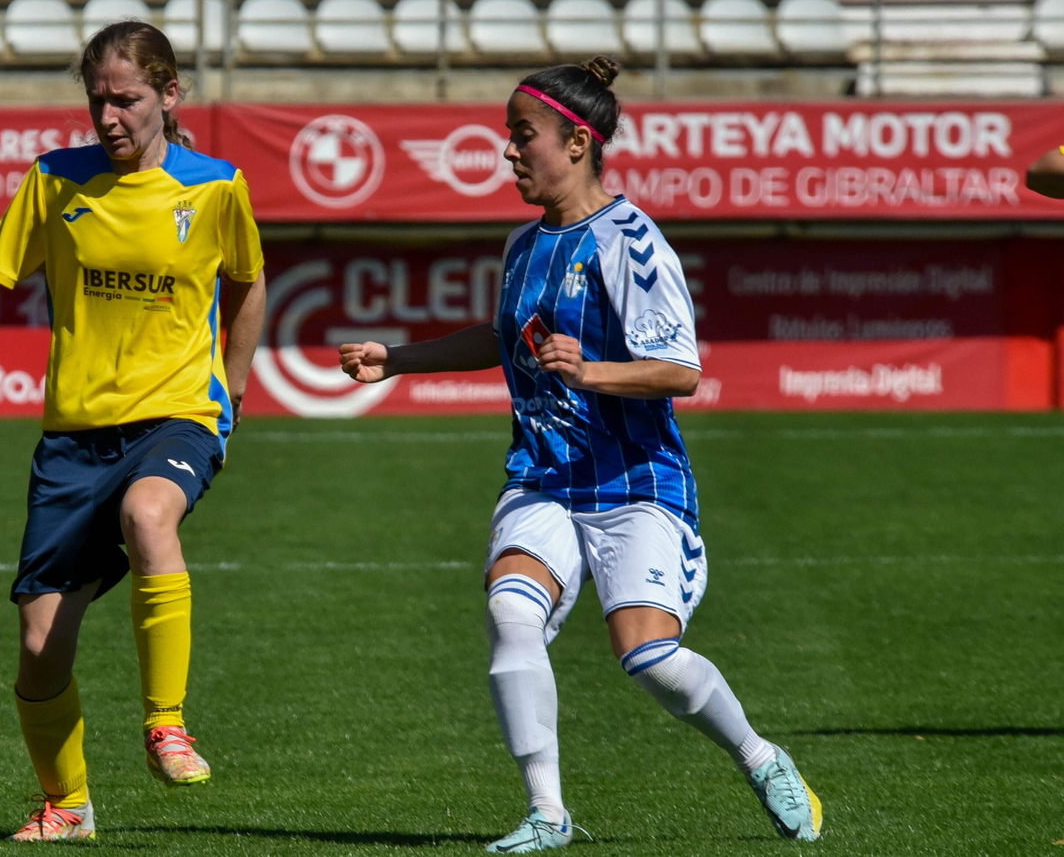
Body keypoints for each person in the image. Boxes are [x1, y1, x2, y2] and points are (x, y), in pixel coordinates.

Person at [338, 57, 821, 852]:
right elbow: (504, 337)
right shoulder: (523, 243)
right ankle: (547, 814)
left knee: (649, 658)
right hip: (544, 477)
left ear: (577, 142)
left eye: (522, 135)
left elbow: (681, 371)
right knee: (511, 612)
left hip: (636, 483)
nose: (509, 150)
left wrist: (590, 370)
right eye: (508, 135)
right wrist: (398, 359)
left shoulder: (631, 242)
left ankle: (761, 757)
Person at [0, 21, 267, 843]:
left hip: (176, 414)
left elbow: (248, 283)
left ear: (169, 95)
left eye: (128, 99)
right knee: (41, 645)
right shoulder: (55, 181)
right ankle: (69, 806)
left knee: (149, 514)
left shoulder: (218, 187)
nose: (110, 116)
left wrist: (232, 390)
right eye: (98, 100)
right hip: (74, 440)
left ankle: (166, 723)